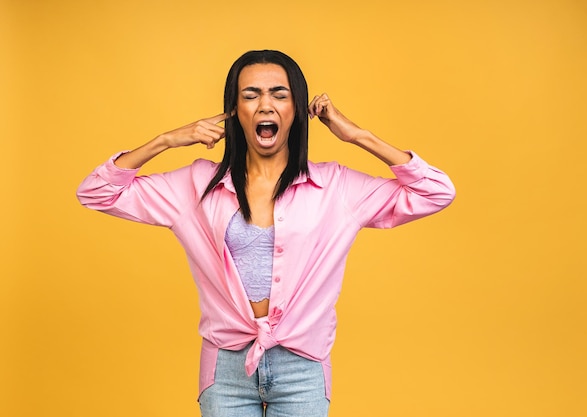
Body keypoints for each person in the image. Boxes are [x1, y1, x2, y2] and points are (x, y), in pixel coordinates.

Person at [76, 49, 455, 417]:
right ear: (235, 110)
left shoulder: (335, 188)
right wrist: (167, 140)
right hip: (226, 369)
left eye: (279, 93)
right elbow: (96, 192)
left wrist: (357, 135)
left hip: (302, 369)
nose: (265, 105)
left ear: (296, 108)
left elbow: (436, 192)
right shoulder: (196, 184)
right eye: (250, 94)